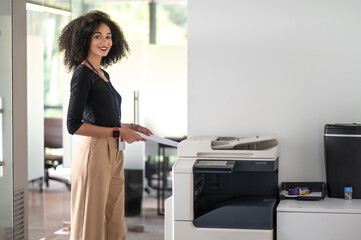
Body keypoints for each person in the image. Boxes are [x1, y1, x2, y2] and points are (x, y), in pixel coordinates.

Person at [59, 10, 152, 240]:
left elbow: (102, 116)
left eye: (109, 36)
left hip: (113, 149)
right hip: (95, 151)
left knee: (113, 216)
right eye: (98, 36)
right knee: (91, 219)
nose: (105, 42)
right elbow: (74, 125)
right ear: (85, 39)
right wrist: (119, 131)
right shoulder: (82, 73)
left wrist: (132, 126)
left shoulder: (103, 74)